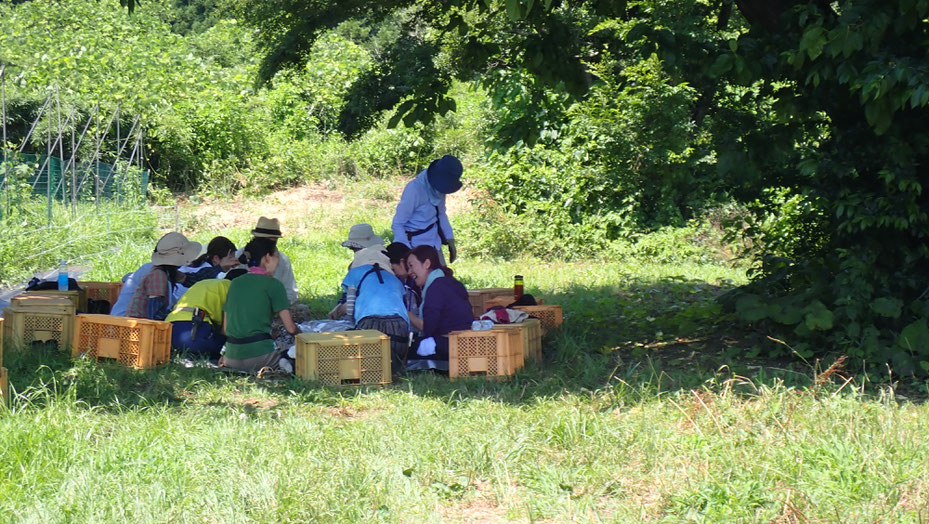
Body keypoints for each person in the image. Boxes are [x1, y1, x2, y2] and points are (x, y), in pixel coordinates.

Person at [222, 237, 301, 374]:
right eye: (277, 258)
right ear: (267, 258)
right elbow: (291, 328)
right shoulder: (274, 285)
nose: (278, 263)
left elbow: (225, 328)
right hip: (261, 358)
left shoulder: (235, 283)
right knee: (296, 355)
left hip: (231, 358)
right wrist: (304, 335)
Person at [334, 246, 411, 375]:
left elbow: (350, 309)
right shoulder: (395, 280)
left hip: (369, 327)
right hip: (400, 331)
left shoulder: (355, 273)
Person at [405, 244, 472, 371]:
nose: (409, 272)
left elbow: (428, 328)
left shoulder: (436, 287)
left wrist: (405, 313)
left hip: (447, 346)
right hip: (465, 343)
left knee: (412, 349)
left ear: (427, 264)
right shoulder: (451, 282)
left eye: (411, 266)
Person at [391, 155, 463, 266]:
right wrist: (407, 252)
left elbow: (441, 214)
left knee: (441, 280)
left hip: (434, 242)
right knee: (415, 282)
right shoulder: (414, 189)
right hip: (413, 245)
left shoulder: (439, 189)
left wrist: (450, 239)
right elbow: (397, 224)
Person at [166, 267, 246, 360]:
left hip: (170, 325)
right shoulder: (233, 288)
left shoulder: (205, 283)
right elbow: (226, 329)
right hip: (194, 330)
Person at [126, 233, 202, 320]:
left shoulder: (169, 273)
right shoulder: (158, 276)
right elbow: (153, 314)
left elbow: (191, 280)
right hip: (140, 327)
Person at [172, 236, 239, 302]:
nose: (233, 261)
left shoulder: (197, 266)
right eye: (230, 258)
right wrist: (220, 268)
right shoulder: (213, 275)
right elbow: (199, 280)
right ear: (216, 258)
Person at [386, 241, 420, 313]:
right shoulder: (405, 279)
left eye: (393, 269)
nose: (393, 274)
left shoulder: (418, 280)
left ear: (402, 262)